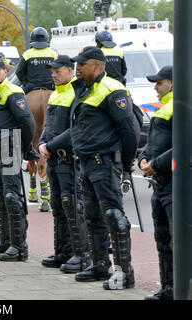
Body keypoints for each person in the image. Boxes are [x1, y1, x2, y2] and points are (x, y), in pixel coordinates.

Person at [67, 46, 140, 289]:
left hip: (105, 162)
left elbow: (130, 130)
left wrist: (125, 162)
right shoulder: (86, 89)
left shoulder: (112, 89)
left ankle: (123, 274)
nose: (77, 67)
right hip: (87, 162)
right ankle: (100, 265)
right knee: (92, 215)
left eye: (82, 63)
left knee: (112, 215)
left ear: (97, 65)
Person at [38, 55, 89, 273]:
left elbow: (76, 129)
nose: (53, 74)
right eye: (52, 71)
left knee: (72, 204)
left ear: (70, 70)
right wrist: (41, 142)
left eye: (58, 71)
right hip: (54, 158)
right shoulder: (56, 95)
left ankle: (81, 254)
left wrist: (49, 145)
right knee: (58, 204)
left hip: (68, 157)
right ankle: (63, 251)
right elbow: (48, 125)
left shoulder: (76, 93)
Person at [0, 59, 36, 261]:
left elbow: (27, 121)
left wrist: (24, 146)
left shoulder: (12, 91)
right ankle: (5, 241)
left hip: (9, 147)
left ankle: (19, 246)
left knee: (11, 197)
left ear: (5, 71)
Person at [139, 66, 173, 300]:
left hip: (175, 185)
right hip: (160, 184)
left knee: (177, 239)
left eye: (159, 83)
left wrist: (155, 163)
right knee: (162, 239)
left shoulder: (181, 106)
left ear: (172, 83)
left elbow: (184, 144)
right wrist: (143, 158)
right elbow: (154, 142)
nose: (155, 87)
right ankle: (168, 288)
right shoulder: (164, 108)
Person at [16, 27, 58, 94]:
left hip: (31, 85)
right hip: (51, 85)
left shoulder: (27, 54)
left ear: (32, 38)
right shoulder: (54, 53)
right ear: (47, 38)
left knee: (17, 97)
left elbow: (19, 72)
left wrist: (25, 83)